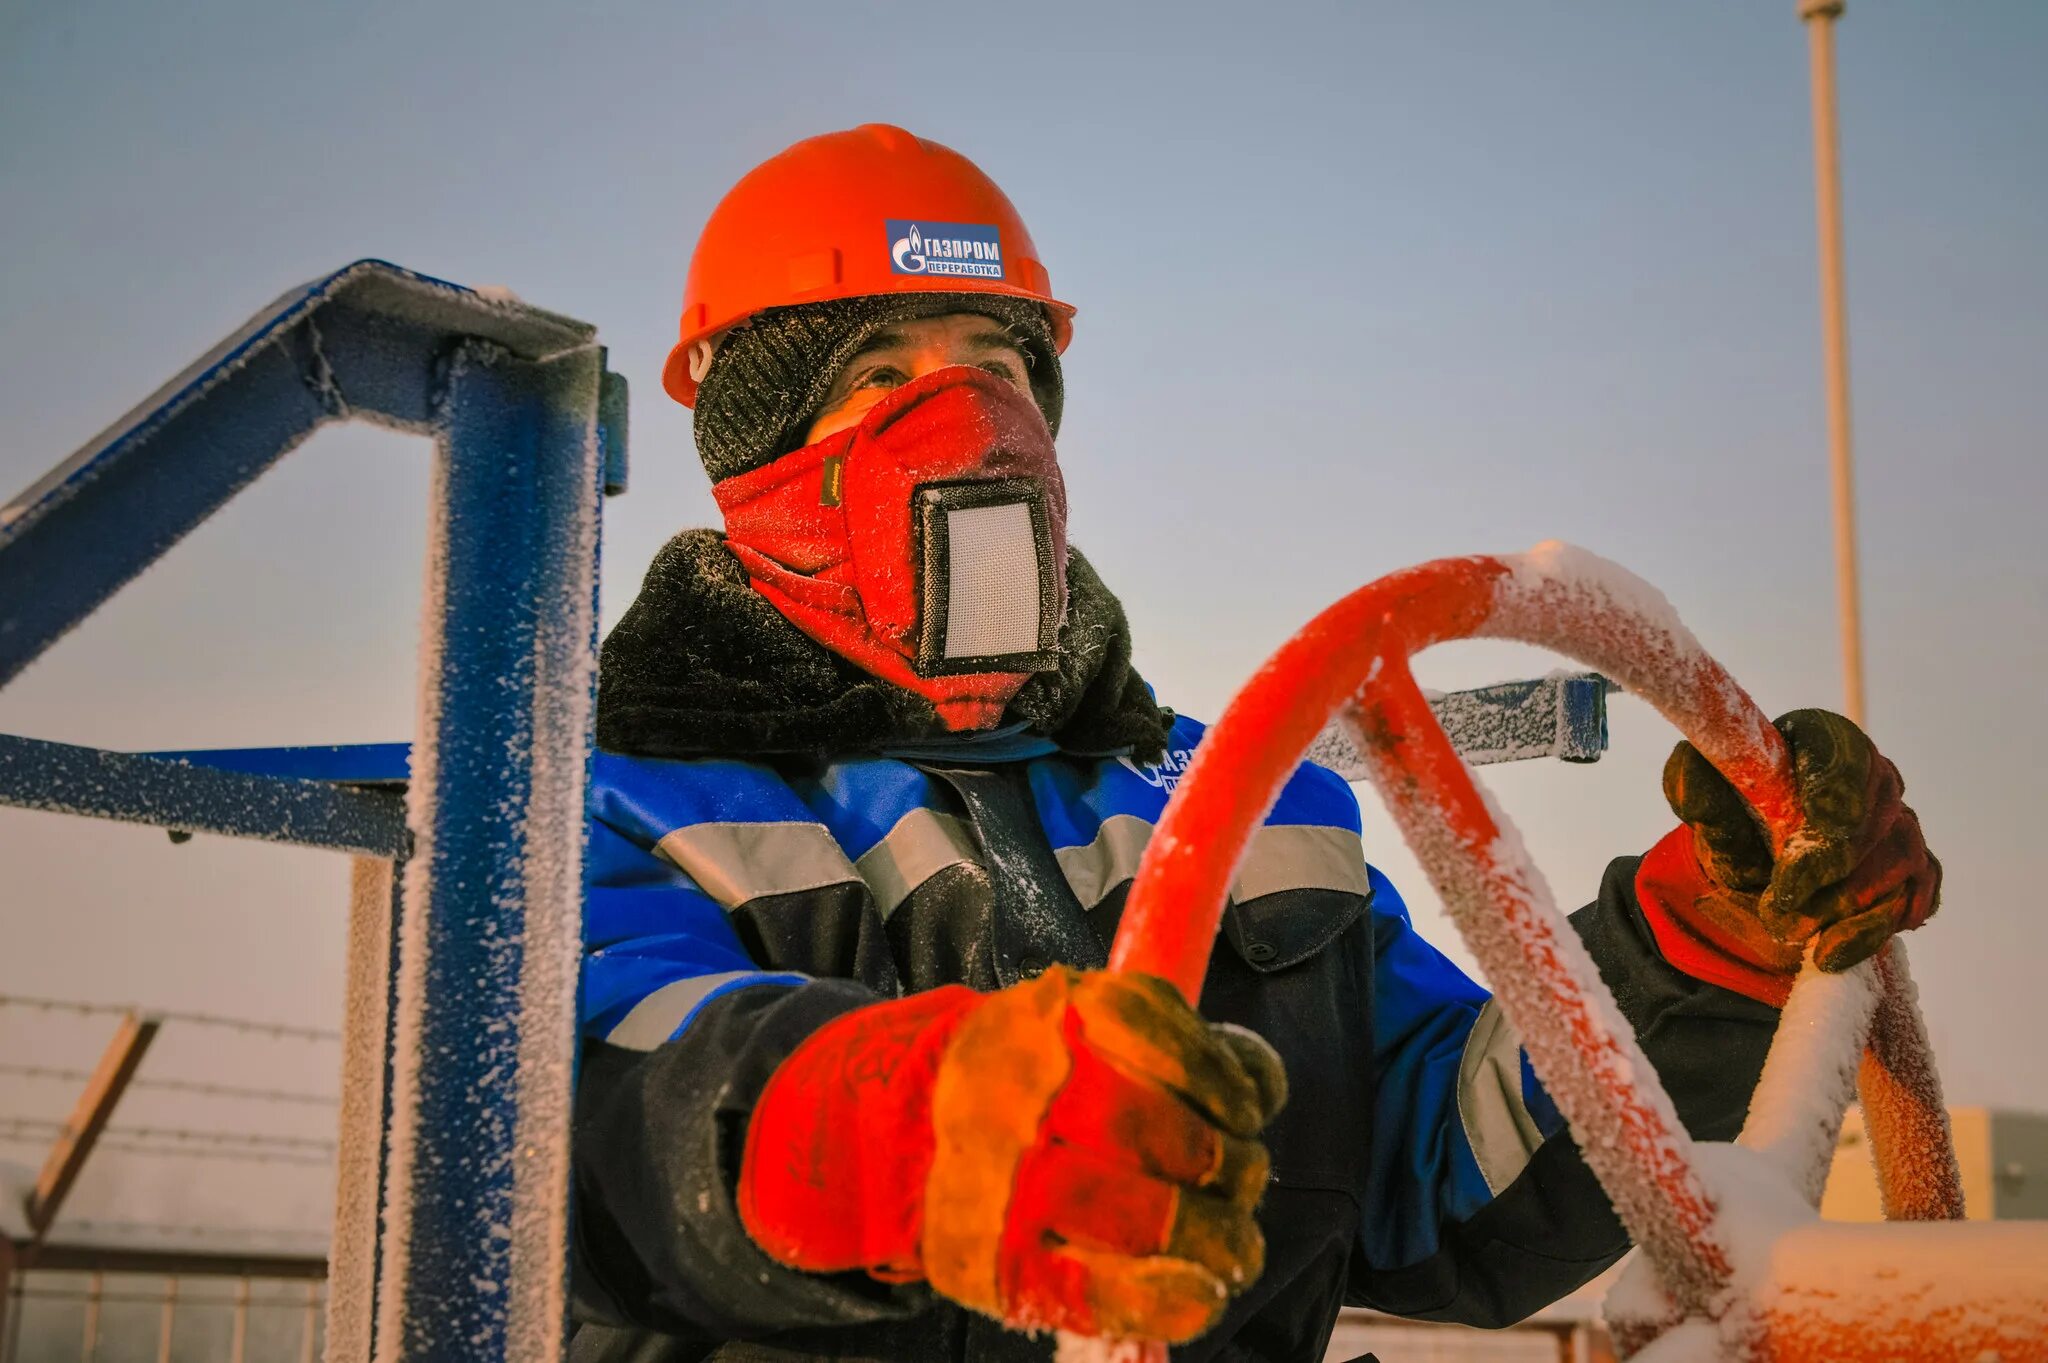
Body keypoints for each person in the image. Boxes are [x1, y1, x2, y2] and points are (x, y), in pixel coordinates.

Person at [567, 124, 1940, 1362]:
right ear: (762, 450)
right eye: (881, 370)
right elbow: (619, 1123)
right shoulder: (623, 811)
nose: (973, 420)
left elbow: (1436, 1168)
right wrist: (914, 1136)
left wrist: (1703, 939)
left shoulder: (1235, 802)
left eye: (998, 363)